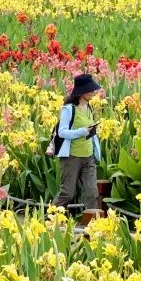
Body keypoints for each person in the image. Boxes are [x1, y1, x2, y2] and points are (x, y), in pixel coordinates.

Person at [52, 73, 103, 212]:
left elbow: (88, 131)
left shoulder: (89, 108)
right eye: (90, 90)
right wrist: (81, 132)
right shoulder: (68, 109)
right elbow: (62, 132)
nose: (93, 92)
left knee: (92, 193)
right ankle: (51, 217)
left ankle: (93, 226)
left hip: (88, 156)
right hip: (71, 158)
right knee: (68, 193)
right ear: (81, 92)